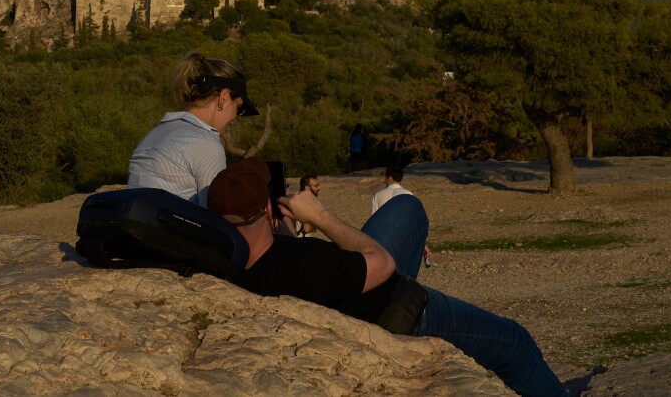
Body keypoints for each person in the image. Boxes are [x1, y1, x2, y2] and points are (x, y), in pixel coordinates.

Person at [207, 158, 567, 397]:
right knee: (517, 343)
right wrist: (319, 216)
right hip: (407, 314)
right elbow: (383, 262)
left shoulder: (229, 264)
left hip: (344, 290)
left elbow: (271, 253)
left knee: (404, 208)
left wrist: (282, 227)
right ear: (268, 208)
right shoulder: (306, 260)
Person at [127, 52, 259, 204]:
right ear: (224, 97)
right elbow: (216, 218)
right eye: (239, 107)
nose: (236, 119)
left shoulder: (153, 135)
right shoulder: (205, 143)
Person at [372, 167, 431, 266]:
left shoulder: (378, 195)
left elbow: (373, 222)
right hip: (402, 239)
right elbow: (413, 223)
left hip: (383, 241)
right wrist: (422, 245)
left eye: (385, 178)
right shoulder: (408, 194)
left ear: (389, 178)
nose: (385, 181)